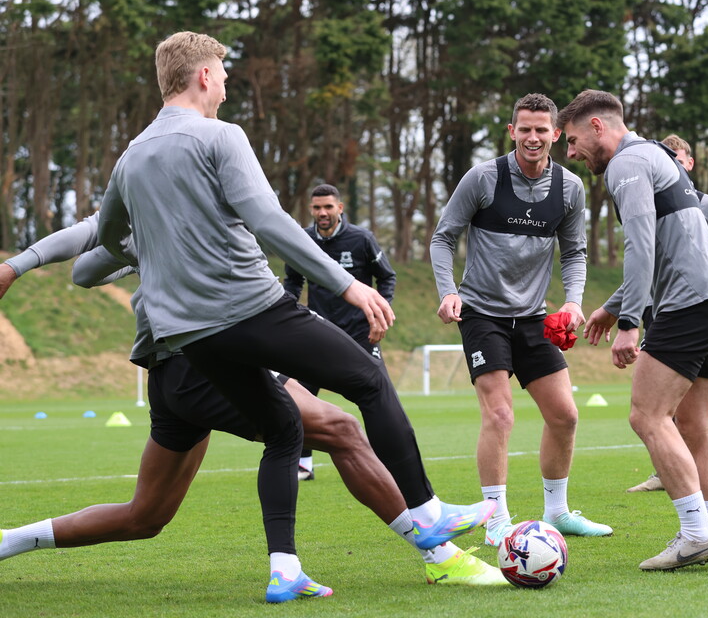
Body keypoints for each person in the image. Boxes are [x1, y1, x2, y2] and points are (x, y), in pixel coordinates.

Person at [91, 31, 496, 596]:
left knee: (284, 431)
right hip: (250, 309)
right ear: (203, 75)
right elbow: (271, 222)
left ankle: (285, 571)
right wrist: (348, 285)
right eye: (223, 73)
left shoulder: (131, 157)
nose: (227, 83)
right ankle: (427, 511)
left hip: (191, 338)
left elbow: (107, 237)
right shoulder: (220, 136)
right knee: (369, 379)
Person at [0, 214, 506, 598]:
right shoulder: (179, 191)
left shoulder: (164, 203)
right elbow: (88, 265)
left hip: (175, 375)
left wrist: (124, 251)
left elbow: (85, 269)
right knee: (340, 428)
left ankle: (10, 540)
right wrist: (132, 248)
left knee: (146, 516)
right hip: (202, 362)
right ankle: (438, 553)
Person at [561, 90, 708, 570]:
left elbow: (640, 245)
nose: (571, 153)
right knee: (698, 424)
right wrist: (612, 305)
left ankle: (696, 534)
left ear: (598, 127)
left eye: (574, 141)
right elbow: (665, 246)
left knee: (647, 416)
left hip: (687, 306)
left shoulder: (626, 164)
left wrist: (628, 322)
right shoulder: (658, 155)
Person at [430, 93, 612, 548]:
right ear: (512, 132)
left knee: (566, 415)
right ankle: (496, 519)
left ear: (555, 134)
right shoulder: (484, 179)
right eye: (524, 129)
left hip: (533, 318)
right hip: (481, 314)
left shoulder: (570, 188)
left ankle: (558, 512)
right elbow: (442, 238)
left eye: (541, 130)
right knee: (500, 414)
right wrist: (448, 292)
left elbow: (574, 252)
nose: (533, 138)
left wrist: (572, 302)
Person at [625, 134, 708, 496]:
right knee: (680, 413)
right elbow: (646, 262)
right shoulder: (652, 199)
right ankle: (681, 485)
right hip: (666, 309)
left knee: (656, 413)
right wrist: (621, 309)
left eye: (678, 157)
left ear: (688, 164)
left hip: (697, 306)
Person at [283, 183, 397, 481]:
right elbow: (293, 281)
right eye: (317, 207)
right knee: (300, 396)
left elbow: (386, 277)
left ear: (340, 208)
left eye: (328, 207)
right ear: (311, 209)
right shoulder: (302, 240)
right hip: (316, 331)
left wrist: (378, 315)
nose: (323, 213)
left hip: (361, 332)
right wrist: (286, 312)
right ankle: (303, 464)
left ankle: (390, 460)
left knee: (379, 395)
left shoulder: (361, 239)